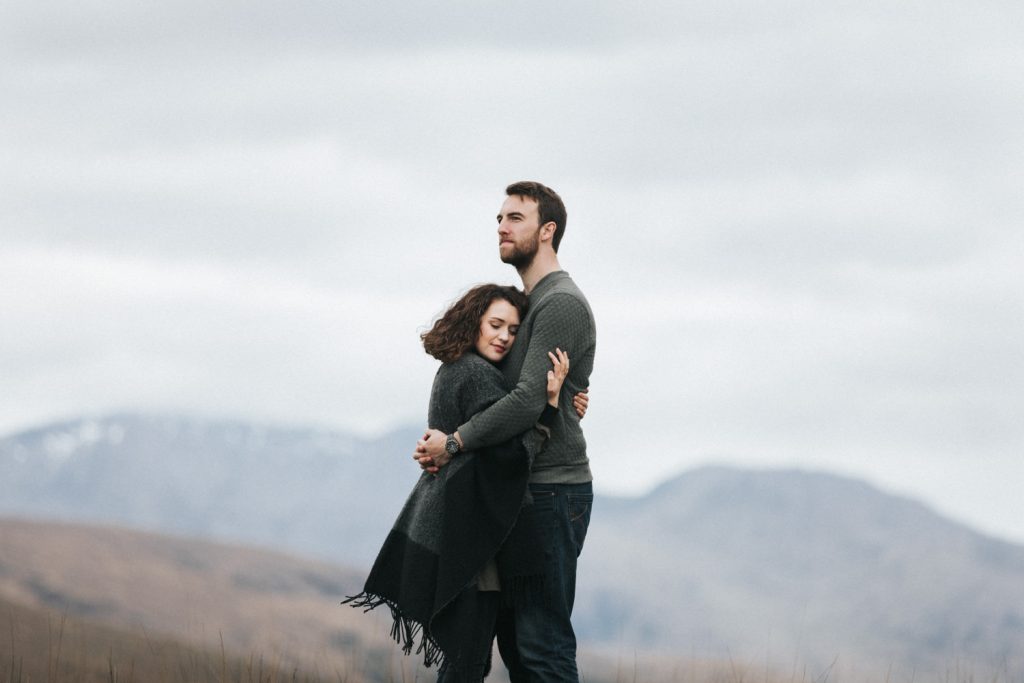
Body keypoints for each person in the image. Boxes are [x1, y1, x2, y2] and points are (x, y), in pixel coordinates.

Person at [344, 283, 580, 681]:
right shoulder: (473, 374)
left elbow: (493, 440)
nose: (504, 337)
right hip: (470, 537)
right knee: (468, 662)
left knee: (466, 661)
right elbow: (509, 456)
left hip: (458, 526)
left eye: (513, 330)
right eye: (495, 325)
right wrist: (550, 409)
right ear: (474, 322)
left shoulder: (456, 369)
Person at [415, 181, 596, 682]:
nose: (501, 227)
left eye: (515, 218)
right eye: (499, 218)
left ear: (547, 231)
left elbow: (526, 400)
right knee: (519, 647)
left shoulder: (559, 303)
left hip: (552, 490)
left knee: (541, 647)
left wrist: (454, 443)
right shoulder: (529, 303)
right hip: (520, 488)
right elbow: (523, 389)